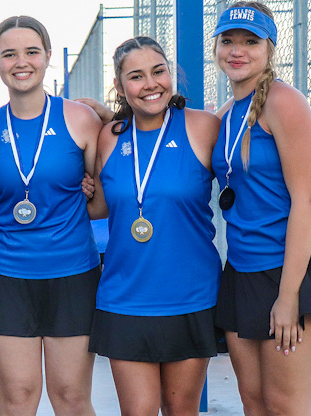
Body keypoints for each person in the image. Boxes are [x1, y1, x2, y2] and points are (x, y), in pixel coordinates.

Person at [211, 3, 311, 415]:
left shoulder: (284, 101)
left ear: (269, 49)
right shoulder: (226, 114)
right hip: (242, 270)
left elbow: (305, 201)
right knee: (254, 403)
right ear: (216, 47)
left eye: (250, 42)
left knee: (285, 405)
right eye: (228, 40)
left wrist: (289, 297)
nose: (237, 50)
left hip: (290, 270)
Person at [0, 16, 102, 416]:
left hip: (73, 274)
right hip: (8, 276)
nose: (21, 62)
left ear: (47, 56)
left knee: (71, 397)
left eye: (31, 51)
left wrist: (91, 191)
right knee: (17, 398)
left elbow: (102, 200)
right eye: (9, 54)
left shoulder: (80, 119)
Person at [85, 36, 223, 415]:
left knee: (181, 410)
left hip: (190, 296)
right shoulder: (109, 136)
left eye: (158, 71)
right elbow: (99, 208)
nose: (150, 84)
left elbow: (248, 168)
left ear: (171, 74)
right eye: (136, 76)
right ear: (120, 87)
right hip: (125, 296)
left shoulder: (203, 127)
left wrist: (304, 176)